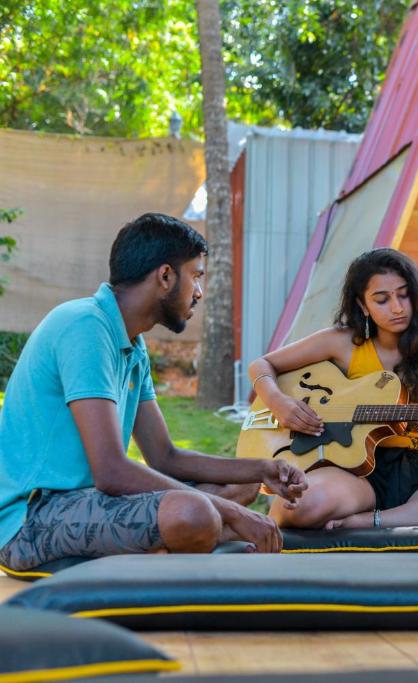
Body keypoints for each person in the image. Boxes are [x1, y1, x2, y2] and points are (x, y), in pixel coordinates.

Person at [0, 213, 307, 573]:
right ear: (165, 276)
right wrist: (231, 512)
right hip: (33, 518)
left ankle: (168, 546)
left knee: (238, 486)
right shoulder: (85, 326)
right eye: (196, 275)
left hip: (91, 502)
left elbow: (164, 456)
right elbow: (111, 471)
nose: (198, 292)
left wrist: (261, 468)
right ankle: (186, 538)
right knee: (194, 512)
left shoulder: (133, 344)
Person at [249, 248, 418, 531]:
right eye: (381, 299)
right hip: (352, 476)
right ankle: (398, 516)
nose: (396, 307)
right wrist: (279, 402)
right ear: (362, 305)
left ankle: (371, 521)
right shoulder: (342, 343)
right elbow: (262, 365)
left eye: (403, 294)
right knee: (294, 506)